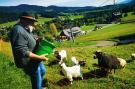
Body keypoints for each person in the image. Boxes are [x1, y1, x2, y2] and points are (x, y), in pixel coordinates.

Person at [9, 12, 48, 89]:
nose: (34, 24)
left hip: (34, 58)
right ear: (24, 20)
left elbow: (28, 37)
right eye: (32, 21)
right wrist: (40, 58)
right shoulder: (18, 30)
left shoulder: (25, 28)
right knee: (36, 76)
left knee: (42, 70)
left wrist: (37, 38)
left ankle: (39, 86)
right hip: (28, 61)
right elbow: (22, 50)